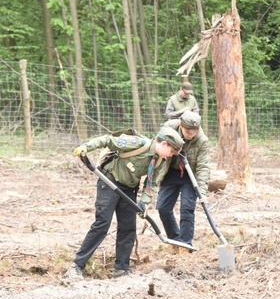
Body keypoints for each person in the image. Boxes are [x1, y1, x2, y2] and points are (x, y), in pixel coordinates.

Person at [66, 127, 184, 280]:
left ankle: (121, 269)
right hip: (109, 182)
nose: (171, 155)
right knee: (102, 224)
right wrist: (86, 147)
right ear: (165, 144)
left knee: (128, 228)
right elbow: (108, 140)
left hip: (129, 190)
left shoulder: (160, 161)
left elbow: (152, 183)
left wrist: (144, 202)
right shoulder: (137, 143)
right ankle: (76, 266)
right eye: (172, 152)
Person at [158, 110, 211, 245]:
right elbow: (157, 149)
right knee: (163, 207)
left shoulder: (202, 141)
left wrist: (202, 192)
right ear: (181, 125)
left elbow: (203, 166)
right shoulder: (169, 130)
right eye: (188, 131)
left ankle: (186, 243)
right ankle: (175, 240)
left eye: (194, 131)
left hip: (190, 175)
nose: (191, 134)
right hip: (171, 171)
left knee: (187, 208)